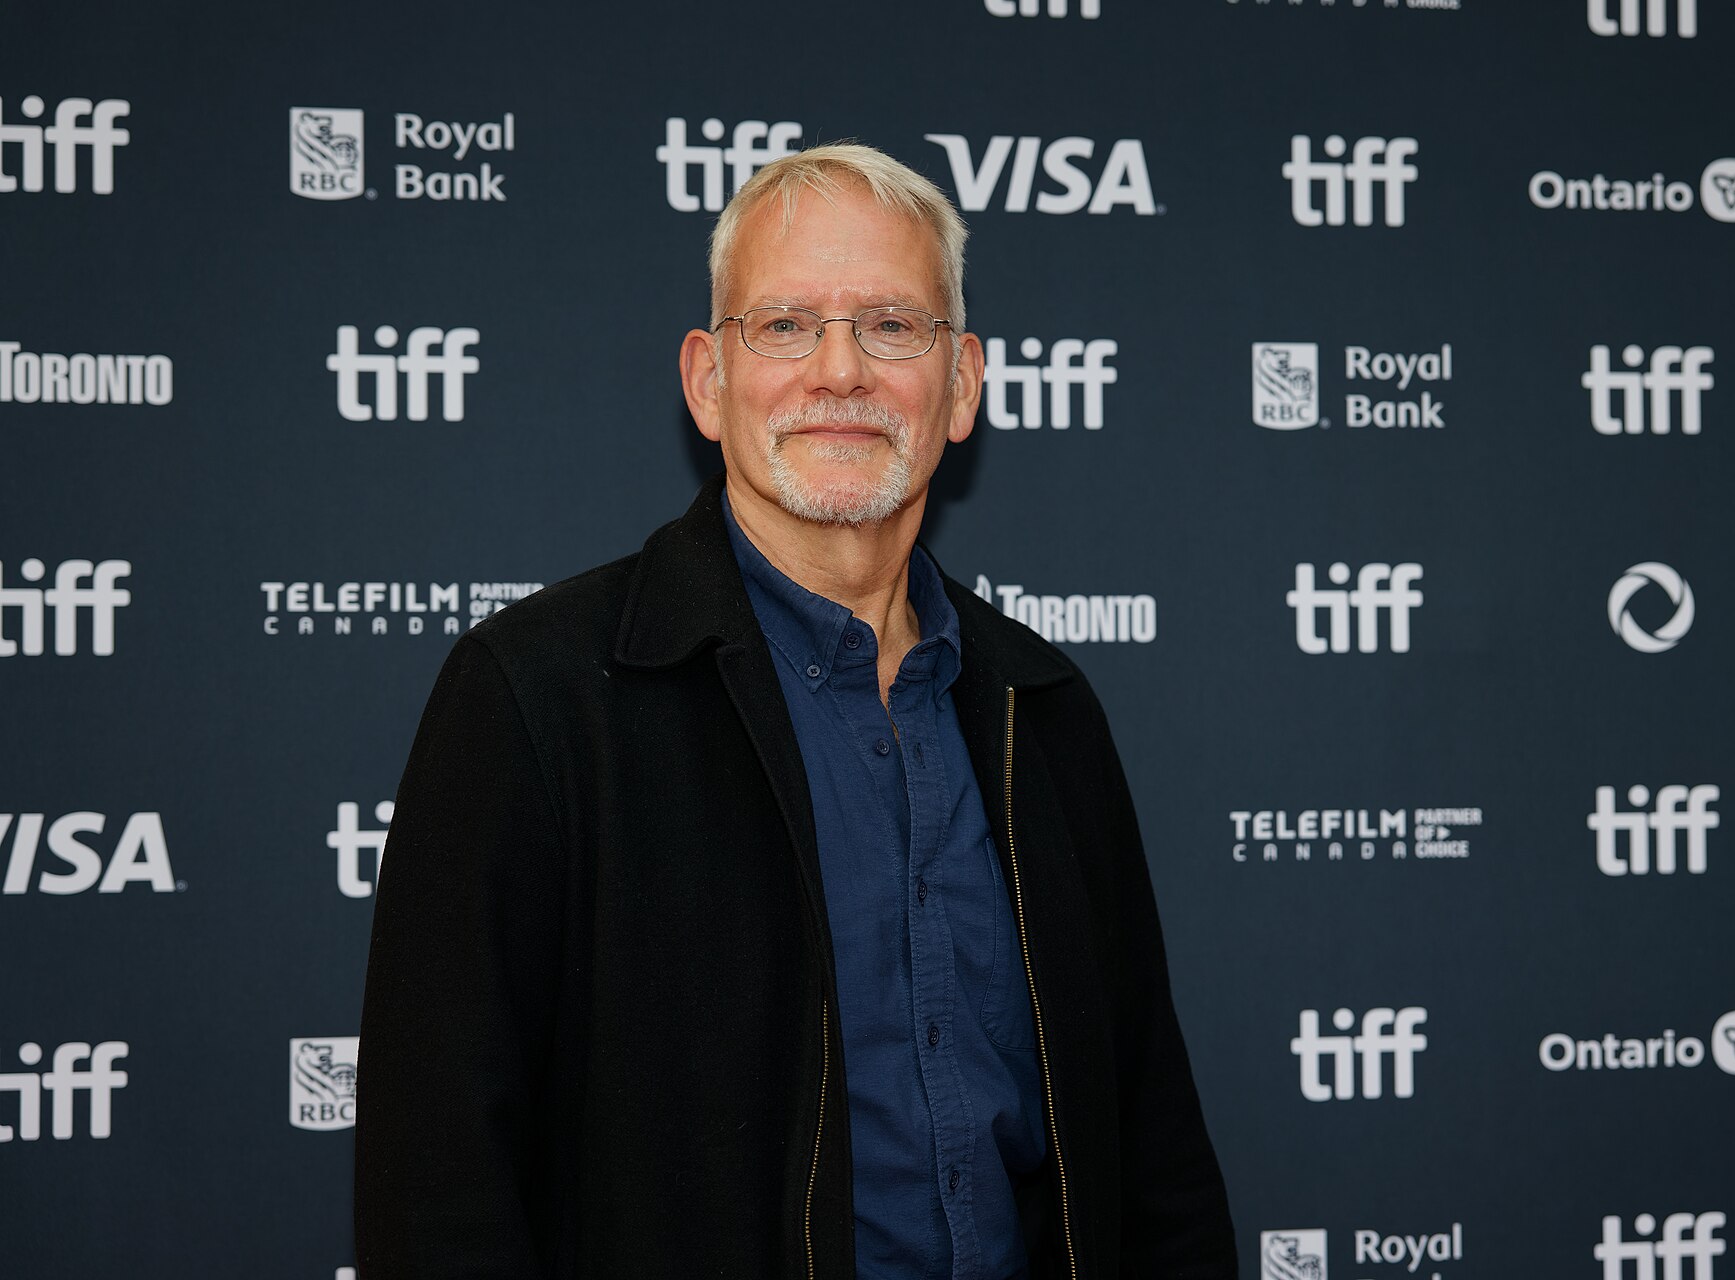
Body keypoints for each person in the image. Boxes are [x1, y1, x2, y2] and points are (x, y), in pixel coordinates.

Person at [354, 143, 1235, 1280]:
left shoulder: (1043, 710)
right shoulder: (537, 695)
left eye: (891, 325)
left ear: (960, 384)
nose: (840, 371)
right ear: (707, 382)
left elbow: (1152, 1149)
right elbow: (436, 1188)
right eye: (783, 325)